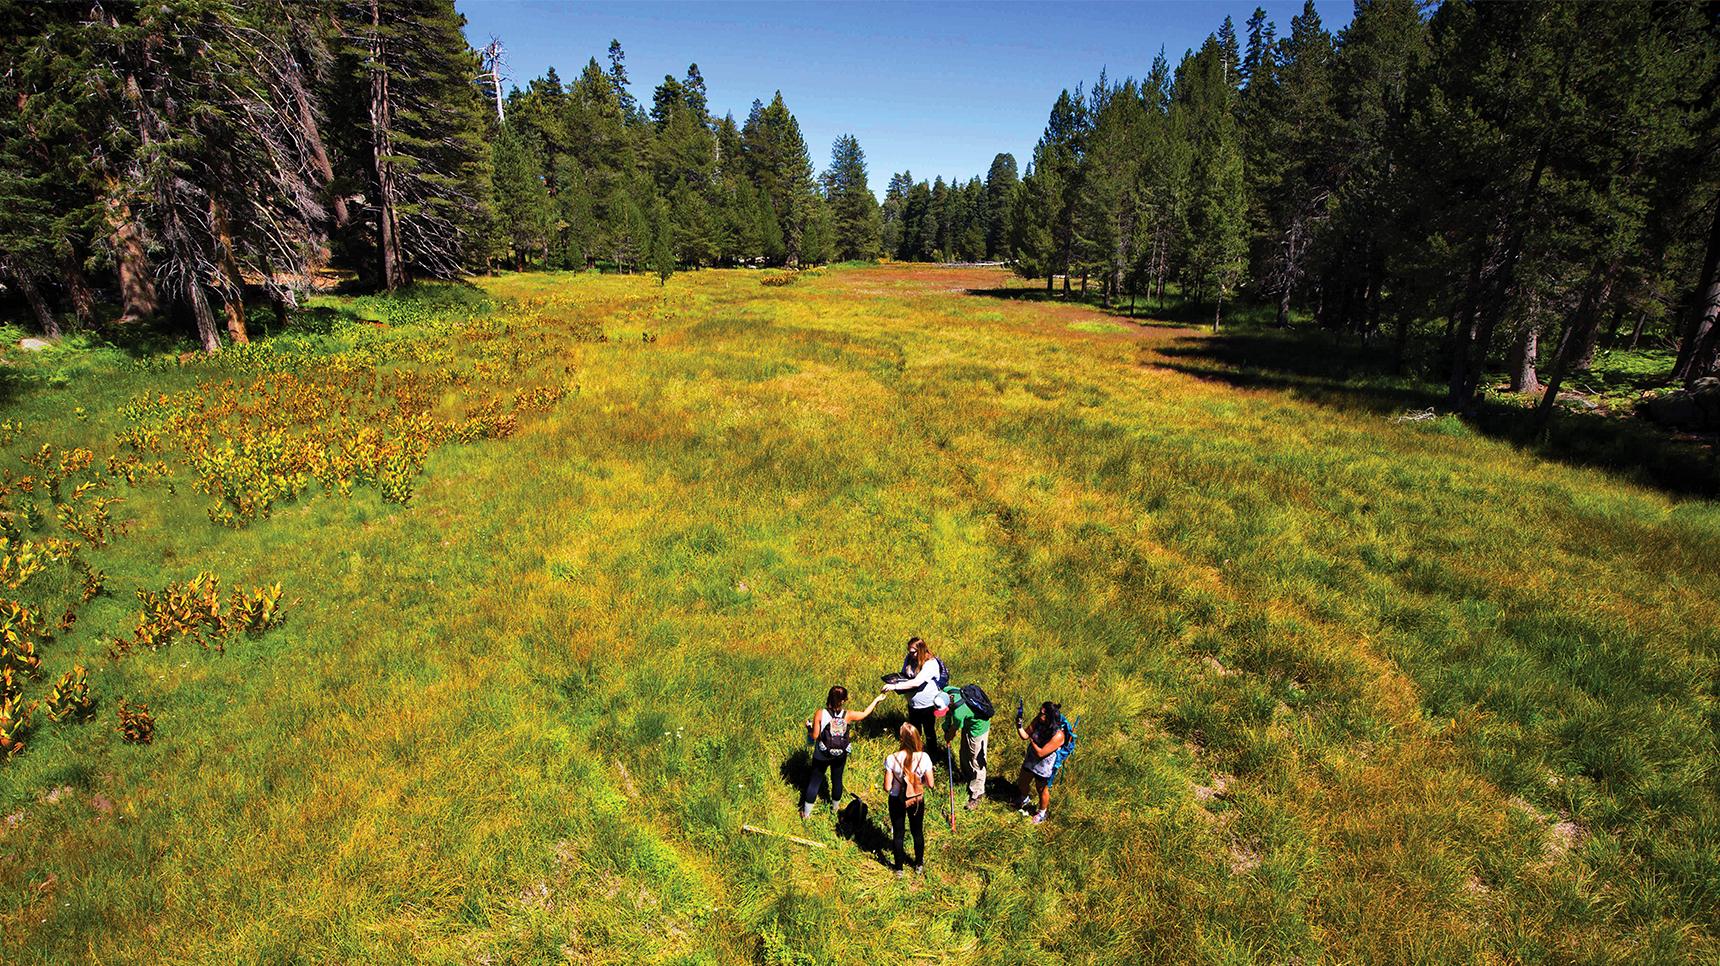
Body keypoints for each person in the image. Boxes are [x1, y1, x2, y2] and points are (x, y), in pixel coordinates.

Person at [801, 685, 885, 819]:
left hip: (821, 754)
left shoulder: (820, 713)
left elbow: (815, 736)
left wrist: (809, 728)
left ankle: (806, 814)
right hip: (840, 755)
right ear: (843, 700)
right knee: (837, 780)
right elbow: (865, 713)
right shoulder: (848, 715)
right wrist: (877, 700)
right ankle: (835, 809)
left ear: (829, 697)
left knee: (815, 781)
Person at [883, 722, 935, 878]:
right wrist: (918, 782)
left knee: (898, 833)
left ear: (901, 739)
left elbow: (887, 787)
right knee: (917, 832)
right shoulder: (924, 757)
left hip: (896, 799)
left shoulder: (892, 758)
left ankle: (899, 869)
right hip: (916, 799)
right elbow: (931, 784)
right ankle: (918, 864)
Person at [883, 636, 944, 761]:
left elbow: (917, 682)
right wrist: (894, 680)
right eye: (909, 651)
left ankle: (933, 757)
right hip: (912, 704)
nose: (910, 654)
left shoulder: (931, 663)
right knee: (915, 732)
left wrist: (894, 686)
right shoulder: (910, 658)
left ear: (920, 650)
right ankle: (916, 755)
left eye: (913, 652)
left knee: (929, 732)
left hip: (927, 704)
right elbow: (904, 674)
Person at [1015, 701, 1067, 825]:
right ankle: (1024, 798)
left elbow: (1041, 753)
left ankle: (1042, 813)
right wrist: (1019, 725)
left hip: (1044, 765)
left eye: (1043, 714)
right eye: (1040, 712)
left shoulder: (1058, 735)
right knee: (1022, 781)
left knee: (1041, 789)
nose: (1039, 715)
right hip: (1031, 759)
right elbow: (1025, 736)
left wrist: (1032, 742)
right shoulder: (1038, 720)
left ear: (1050, 717)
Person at [942, 684, 990, 810]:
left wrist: (948, 735)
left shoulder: (959, 713)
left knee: (976, 760)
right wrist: (946, 725)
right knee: (964, 752)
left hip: (978, 729)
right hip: (968, 723)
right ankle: (967, 778)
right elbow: (948, 713)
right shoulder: (948, 691)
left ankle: (977, 793)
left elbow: (953, 732)